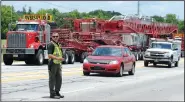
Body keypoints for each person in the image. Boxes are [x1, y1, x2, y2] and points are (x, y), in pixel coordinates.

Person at [47, 32, 64, 99]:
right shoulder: (51, 44)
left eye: (57, 36)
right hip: (52, 64)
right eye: (54, 36)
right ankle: (52, 94)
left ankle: (57, 92)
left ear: (58, 37)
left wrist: (61, 59)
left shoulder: (58, 44)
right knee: (52, 79)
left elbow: (60, 53)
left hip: (58, 64)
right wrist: (58, 58)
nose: (55, 37)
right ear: (52, 37)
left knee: (59, 79)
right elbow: (49, 55)